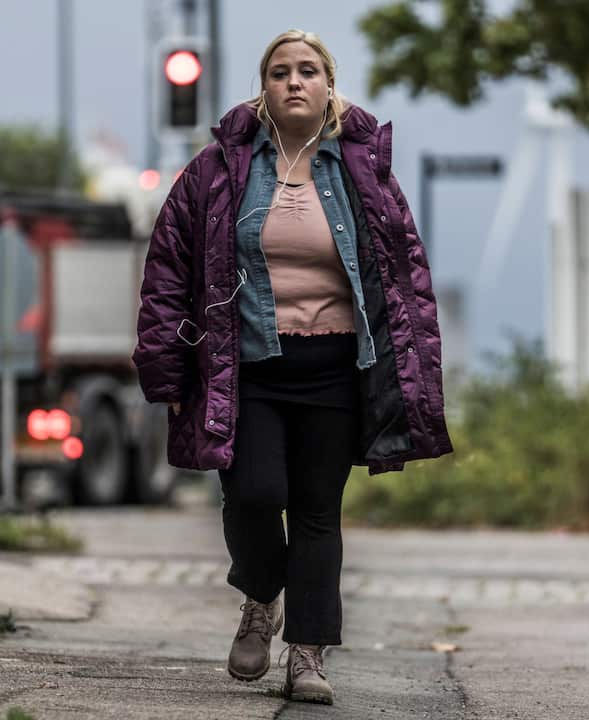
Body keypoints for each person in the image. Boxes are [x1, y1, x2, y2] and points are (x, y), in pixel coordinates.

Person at [132, 29, 452, 706]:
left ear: (330, 85)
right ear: (264, 88)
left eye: (309, 71)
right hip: (247, 367)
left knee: (316, 512)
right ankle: (259, 596)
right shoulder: (217, 171)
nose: (294, 82)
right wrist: (166, 371)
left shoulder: (364, 170)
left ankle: (307, 655)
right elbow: (167, 269)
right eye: (280, 72)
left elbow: (404, 275)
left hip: (334, 367)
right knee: (250, 494)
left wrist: (414, 369)